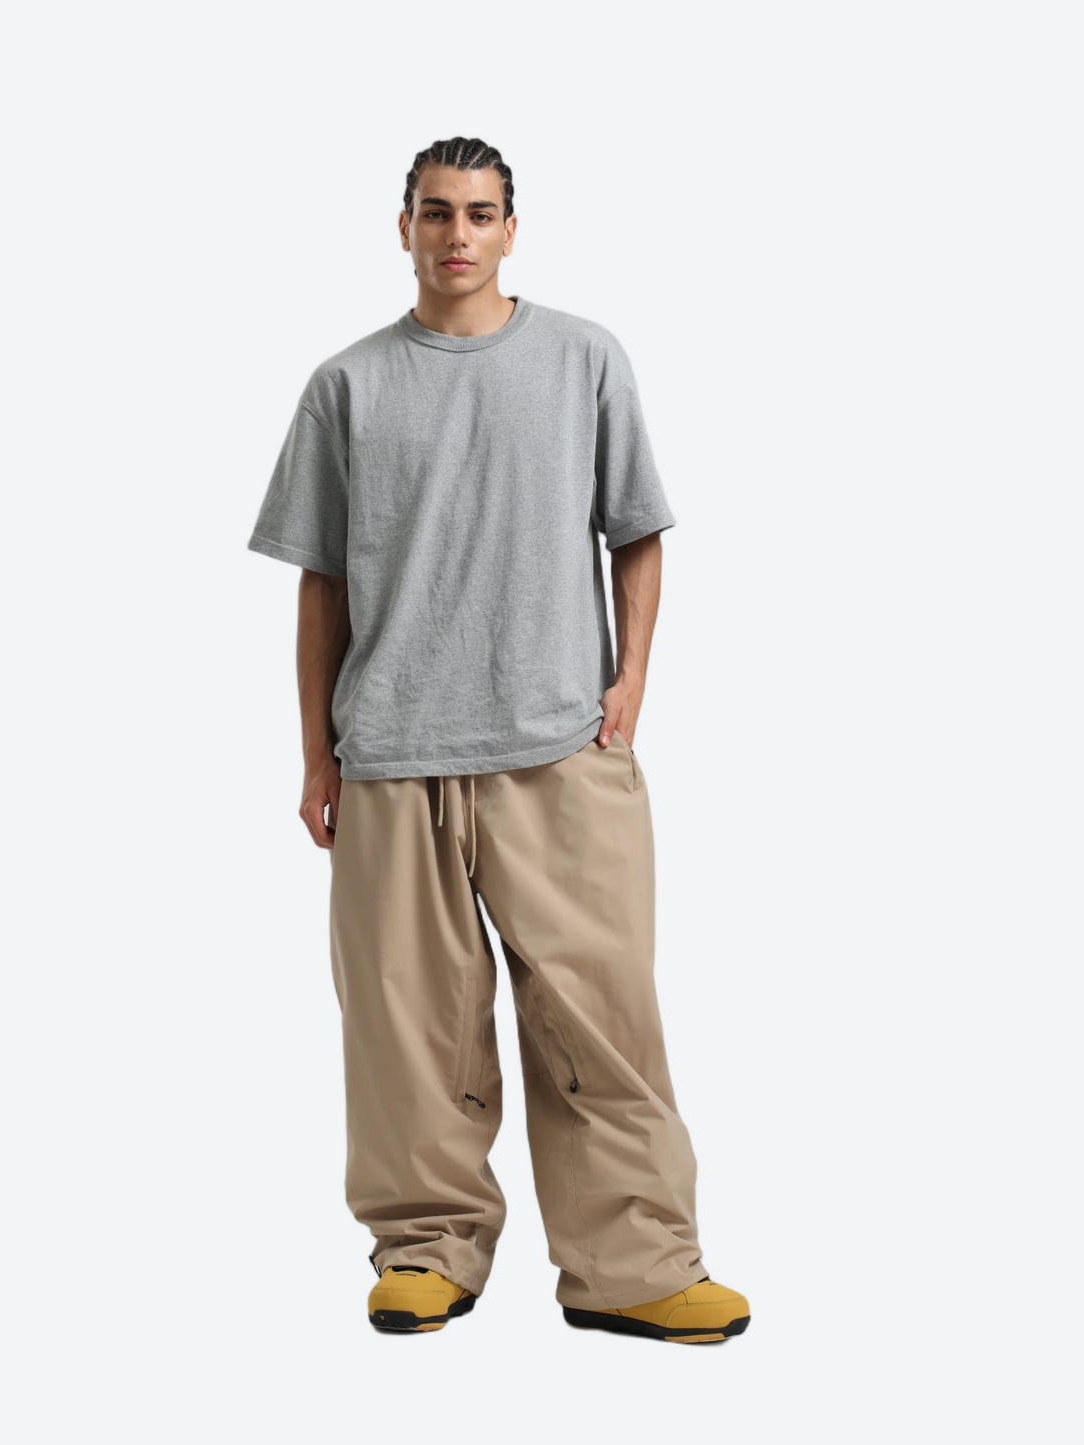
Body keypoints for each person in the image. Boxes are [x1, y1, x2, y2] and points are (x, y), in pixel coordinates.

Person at [247, 136, 750, 1345]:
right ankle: (426, 1250)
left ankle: (632, 1263)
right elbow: (321, 583)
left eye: (479, 213)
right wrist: (315, 753)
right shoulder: (345, 385)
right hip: (390, 750)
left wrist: (630, 682)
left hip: (556, 745)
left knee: (600, 1015)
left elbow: (637, 529)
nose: (457, 234)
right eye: (436, 213)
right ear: (403, 227)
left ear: (510, 229)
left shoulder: (582, 358)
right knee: (407, 1027)